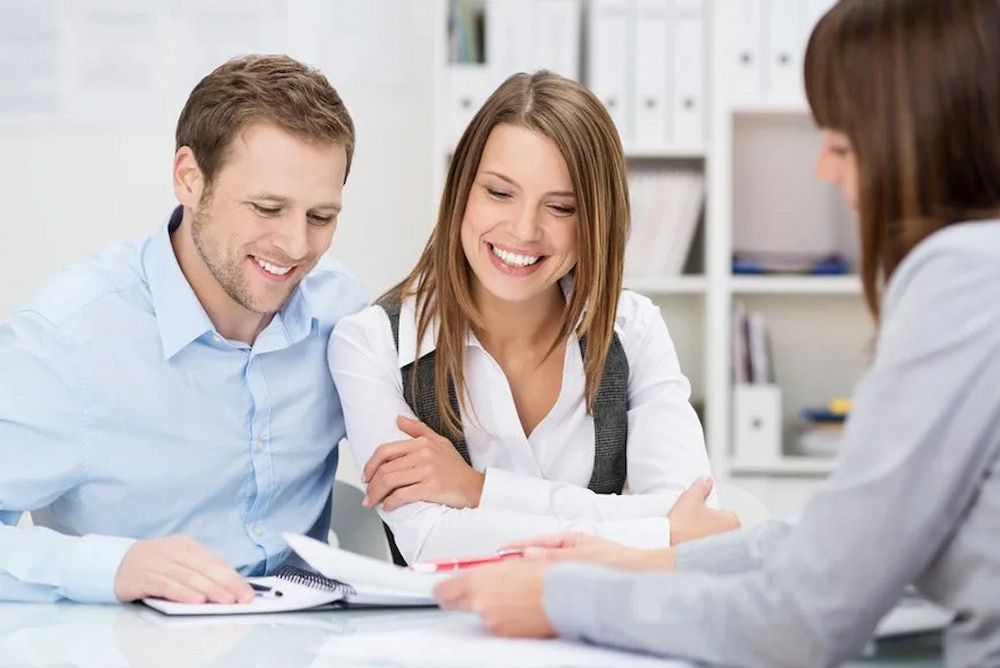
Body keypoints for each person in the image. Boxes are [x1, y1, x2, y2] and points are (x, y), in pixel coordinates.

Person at [434, 0, 1000, 665]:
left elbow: (802, 618)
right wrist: (636, 561)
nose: (825, 168)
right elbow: (838, 548)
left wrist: (564, 597)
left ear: (926, 140)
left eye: (843, 143)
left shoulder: (963, 281)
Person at [329, 70, 737, 565]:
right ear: (462, 192)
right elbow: (429, 543)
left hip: (601, 634)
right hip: (440, 638)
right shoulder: (372, 343)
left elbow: (696, 516)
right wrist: (654, 534)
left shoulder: (633, 330)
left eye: (561, 208)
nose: (524, 230)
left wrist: (480, 491)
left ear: (595, 222)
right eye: (499, 193)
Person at [0, 55, 365, 605]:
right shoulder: (68, 344)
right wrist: (114, 566)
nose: (294, 246)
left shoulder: (341, 309)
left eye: (321, 217)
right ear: (190, 179)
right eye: (268, 208)